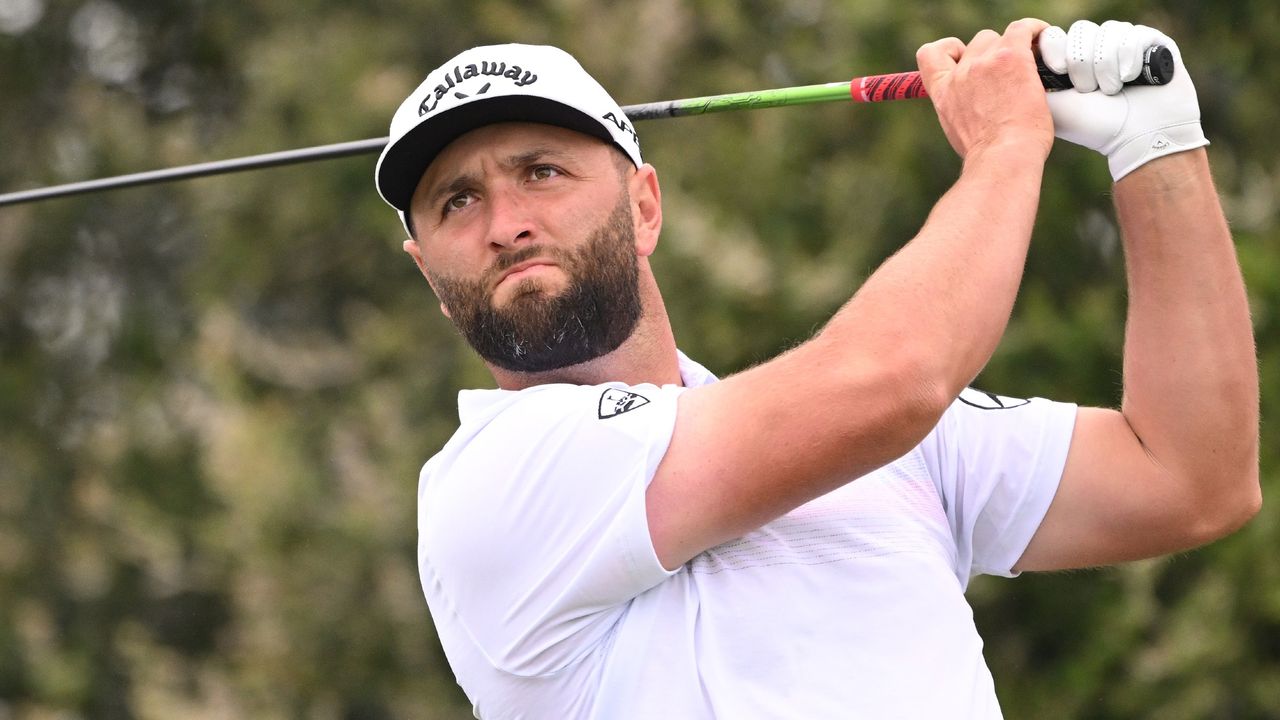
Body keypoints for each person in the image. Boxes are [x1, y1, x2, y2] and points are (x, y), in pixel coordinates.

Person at [374, 18, 1259, 719]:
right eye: (459, 200)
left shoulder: (873, 436)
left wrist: (1157, 148)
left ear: (644, 208)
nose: (505, 222)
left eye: (541, 171)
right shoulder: (492, 481)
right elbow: (894, 378)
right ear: (428, 272)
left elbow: (1189, 475)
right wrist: (1003, 148)